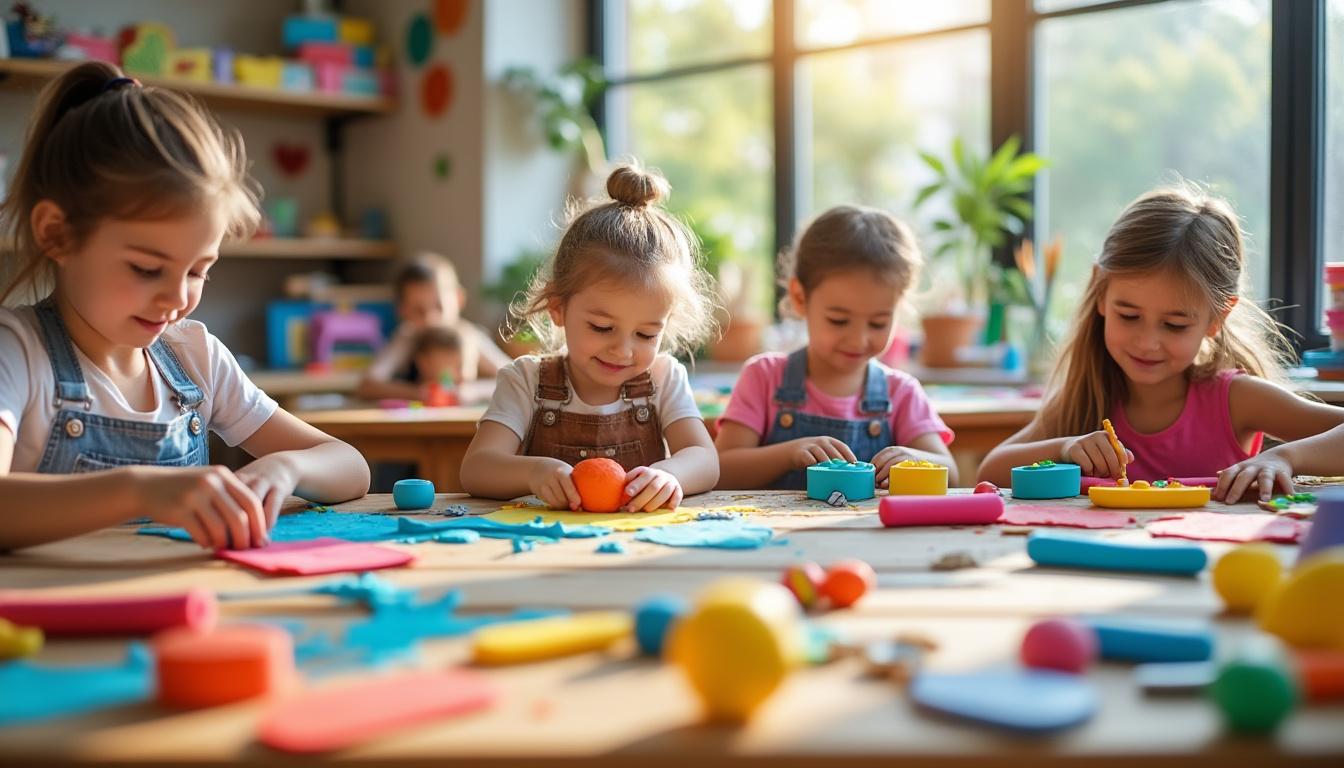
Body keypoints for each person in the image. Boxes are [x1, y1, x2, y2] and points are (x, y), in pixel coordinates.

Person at [0, 62, 369, 551]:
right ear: (56, 234)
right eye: (147, 269)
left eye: (198, 271)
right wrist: (138, 490)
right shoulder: (18, 351)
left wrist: (287, 466)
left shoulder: (195, 357)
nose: (178, 298)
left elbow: (350, 466)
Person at [977, 184, 1344, 502]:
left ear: (1217, 317)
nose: (1148, 342)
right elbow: (990, 471)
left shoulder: (1236, 400)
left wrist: (1286, 458)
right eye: (1129, 316)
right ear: (1100, 291)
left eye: (1174, 324)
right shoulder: (1088, 396)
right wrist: (1063, 448)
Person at [460, 163, 719, 512]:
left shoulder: (663, 378)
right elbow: (476, 468)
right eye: (601, 327)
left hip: (638, 546)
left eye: (646, 334)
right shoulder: (525, 380)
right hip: (545, 545)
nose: (623, 350)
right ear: (558, 308)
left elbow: (705, 458)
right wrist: (535, 471)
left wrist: (671, 474)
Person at [716, 205, 955, 490]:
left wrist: (914, 459)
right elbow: (721, 472)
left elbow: (952, 474)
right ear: (799, 297)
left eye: (878, 323)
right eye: (839, 321)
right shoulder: (764, 377)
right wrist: (788, 454)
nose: (858, 340)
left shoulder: (901, 392)